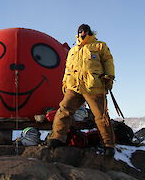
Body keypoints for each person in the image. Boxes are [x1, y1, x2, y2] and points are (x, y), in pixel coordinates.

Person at [48, 24, 116, 157]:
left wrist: (109, 76)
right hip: (74, 87)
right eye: (80, 31)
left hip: (94, 86)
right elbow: (67, 68)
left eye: (84, 31)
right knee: (63, 110)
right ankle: (57, 138)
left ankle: (108, 144)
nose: (82, 33)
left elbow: (108, 60)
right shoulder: (73, 50)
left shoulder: (99, 46)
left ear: (89, 32)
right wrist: (65, 83)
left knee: (101, 116)